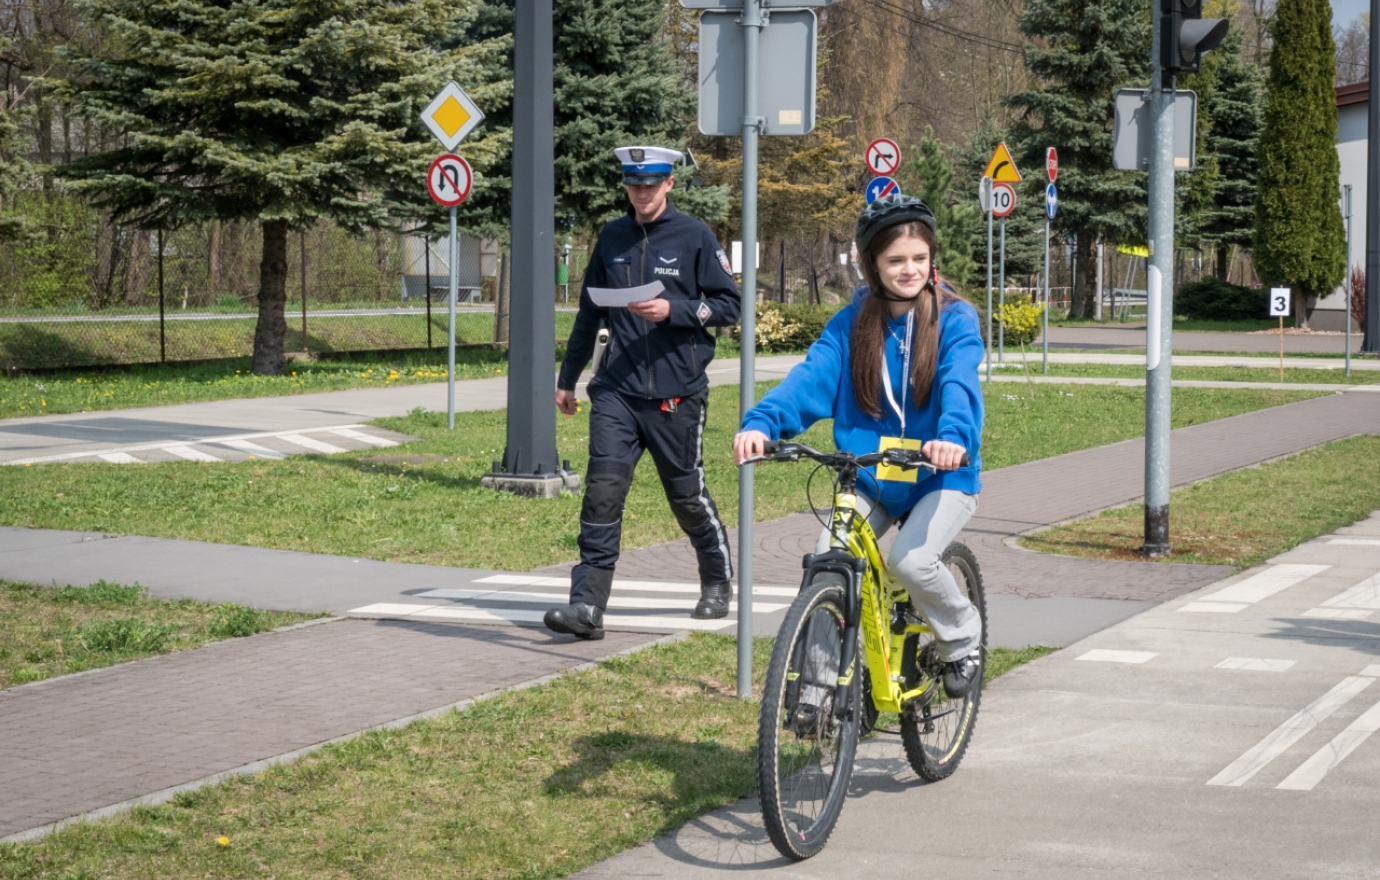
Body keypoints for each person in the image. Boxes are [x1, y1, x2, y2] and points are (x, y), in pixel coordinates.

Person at [732, 194, 986, 697]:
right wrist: (762, 423)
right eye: (896, 260)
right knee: (829, 562)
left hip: (940, 473)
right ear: (872, 265)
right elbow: (811, 378)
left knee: (911, 562)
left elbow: (959, 382)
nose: (910, 270)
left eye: (919, 257)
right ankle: (819, 692)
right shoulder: (852, 323)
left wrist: (953, 437)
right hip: (872, 473)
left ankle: (962, 637)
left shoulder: (955, 319)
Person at [545, 145, 742, 641]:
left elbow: (729, 305)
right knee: (602, 493)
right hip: (616, 390)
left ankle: (717, 580)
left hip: (678, 392)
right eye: (634, 185)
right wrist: (567, 379)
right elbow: (589, 312)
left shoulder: (695, 235)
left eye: (651, 185)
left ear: (669, 183)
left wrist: (674, 311)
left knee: (686, 496)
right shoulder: (612, 237)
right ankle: (587, 606)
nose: (643, 193)